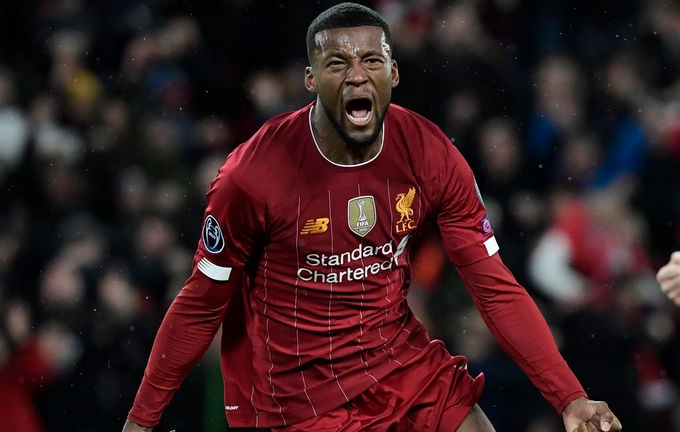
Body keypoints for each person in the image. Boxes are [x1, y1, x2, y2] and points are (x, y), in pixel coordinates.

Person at [123, 3, 622, 431]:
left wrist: (569, 397)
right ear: (311, 79)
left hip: (398, 362)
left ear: (394, 73)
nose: (357, 75)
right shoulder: (252, 177)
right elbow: (200, 303)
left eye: (371, 60)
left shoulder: (430, 154)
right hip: (297, 397)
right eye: (337, 63)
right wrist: (140, 420)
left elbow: (492, 284)